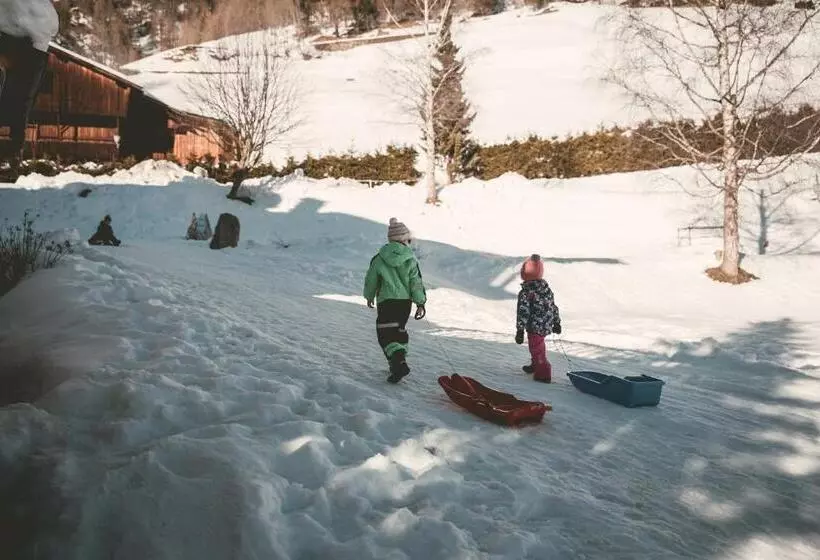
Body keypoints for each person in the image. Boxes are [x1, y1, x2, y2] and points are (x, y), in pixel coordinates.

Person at [364, 218, 427, 383]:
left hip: (387, 303)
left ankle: (398, 362)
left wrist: (369, 296)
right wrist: (420, 302)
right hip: (404, 304)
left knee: (385, 334)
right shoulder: (410, 260)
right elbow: (416, 282)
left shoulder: (379, 258)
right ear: (404, 239)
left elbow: (371, 279)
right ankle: (398, 362)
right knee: (398, 331)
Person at [515, 254, 561, 383]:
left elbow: (523, 311)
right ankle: (536, 365)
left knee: (536, 348)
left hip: (535, 326)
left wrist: (520, 330)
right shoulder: (546, 289)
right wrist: (556, 322)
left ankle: (544, 372)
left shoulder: (526, 292)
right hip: (546, 324)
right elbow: (553, 306)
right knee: (537, 347)